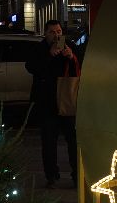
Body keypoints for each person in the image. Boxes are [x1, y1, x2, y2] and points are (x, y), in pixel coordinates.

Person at [26, 19, 79, 188]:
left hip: (67, 101)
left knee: (73, 139)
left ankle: (76, 175)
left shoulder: (69, 45)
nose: (56, 35)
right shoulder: (39, 48)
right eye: (52, 32)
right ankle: (52, 175)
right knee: (49, 141)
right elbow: (31, 67)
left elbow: (80, 67)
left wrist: (71, 57)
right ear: (46, 33)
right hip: (47, 101)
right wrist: (50, 55)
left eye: (58, 32)